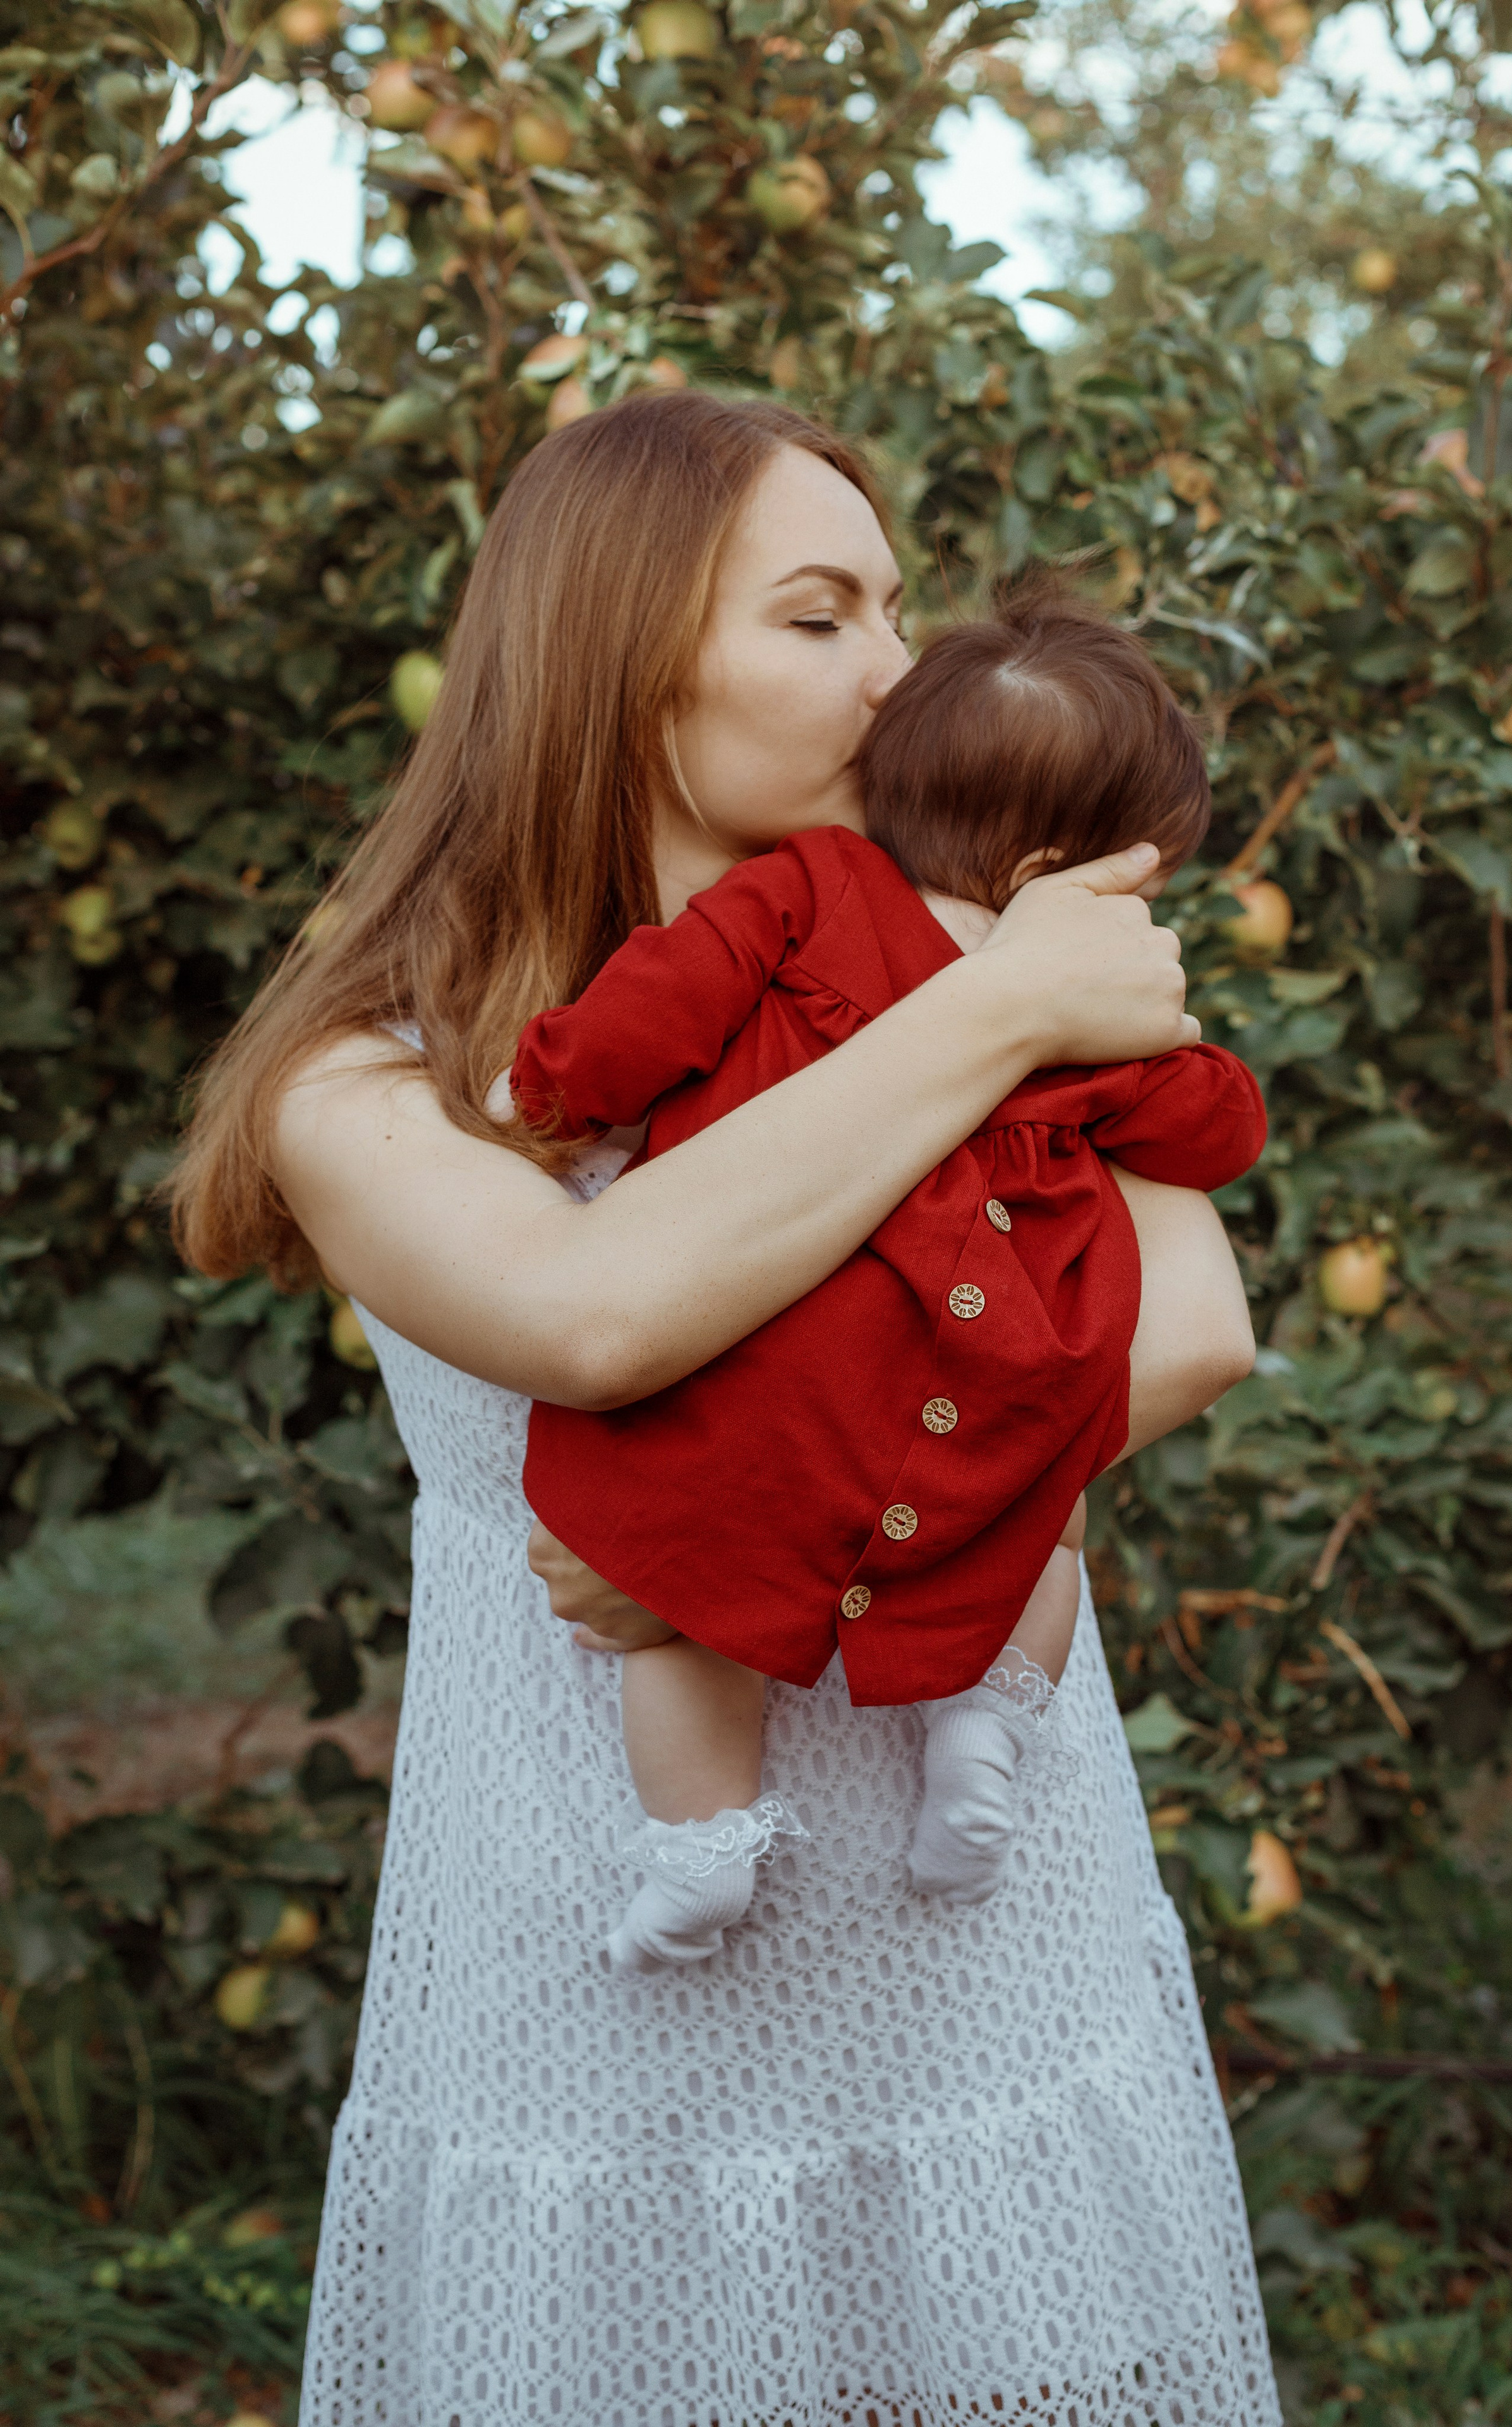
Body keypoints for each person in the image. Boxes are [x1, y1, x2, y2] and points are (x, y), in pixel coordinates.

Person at [170, 390, 1282, 2426]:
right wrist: (1006, 1006)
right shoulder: (375, 1080)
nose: (899, 672)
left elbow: (1193, 1327)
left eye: (900, 610)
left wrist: (747, 1516)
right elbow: (594, 1320)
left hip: (973, 1938)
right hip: (618, 1956)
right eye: (821, 617)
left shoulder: (984, 976)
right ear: (624, 665)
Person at [507, 591, 1267, 1968]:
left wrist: (551, 1083)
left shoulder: (805, 889)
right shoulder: (1081, 1009)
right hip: (1006, 1353)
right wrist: (1177, 1039)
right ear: (1061, 870)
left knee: (680, 1610)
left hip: (793, 1366)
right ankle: (985, 1729)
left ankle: (697, 1849)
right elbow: (1209, 1134)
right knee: (1038, 1511)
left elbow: (660, 1002)